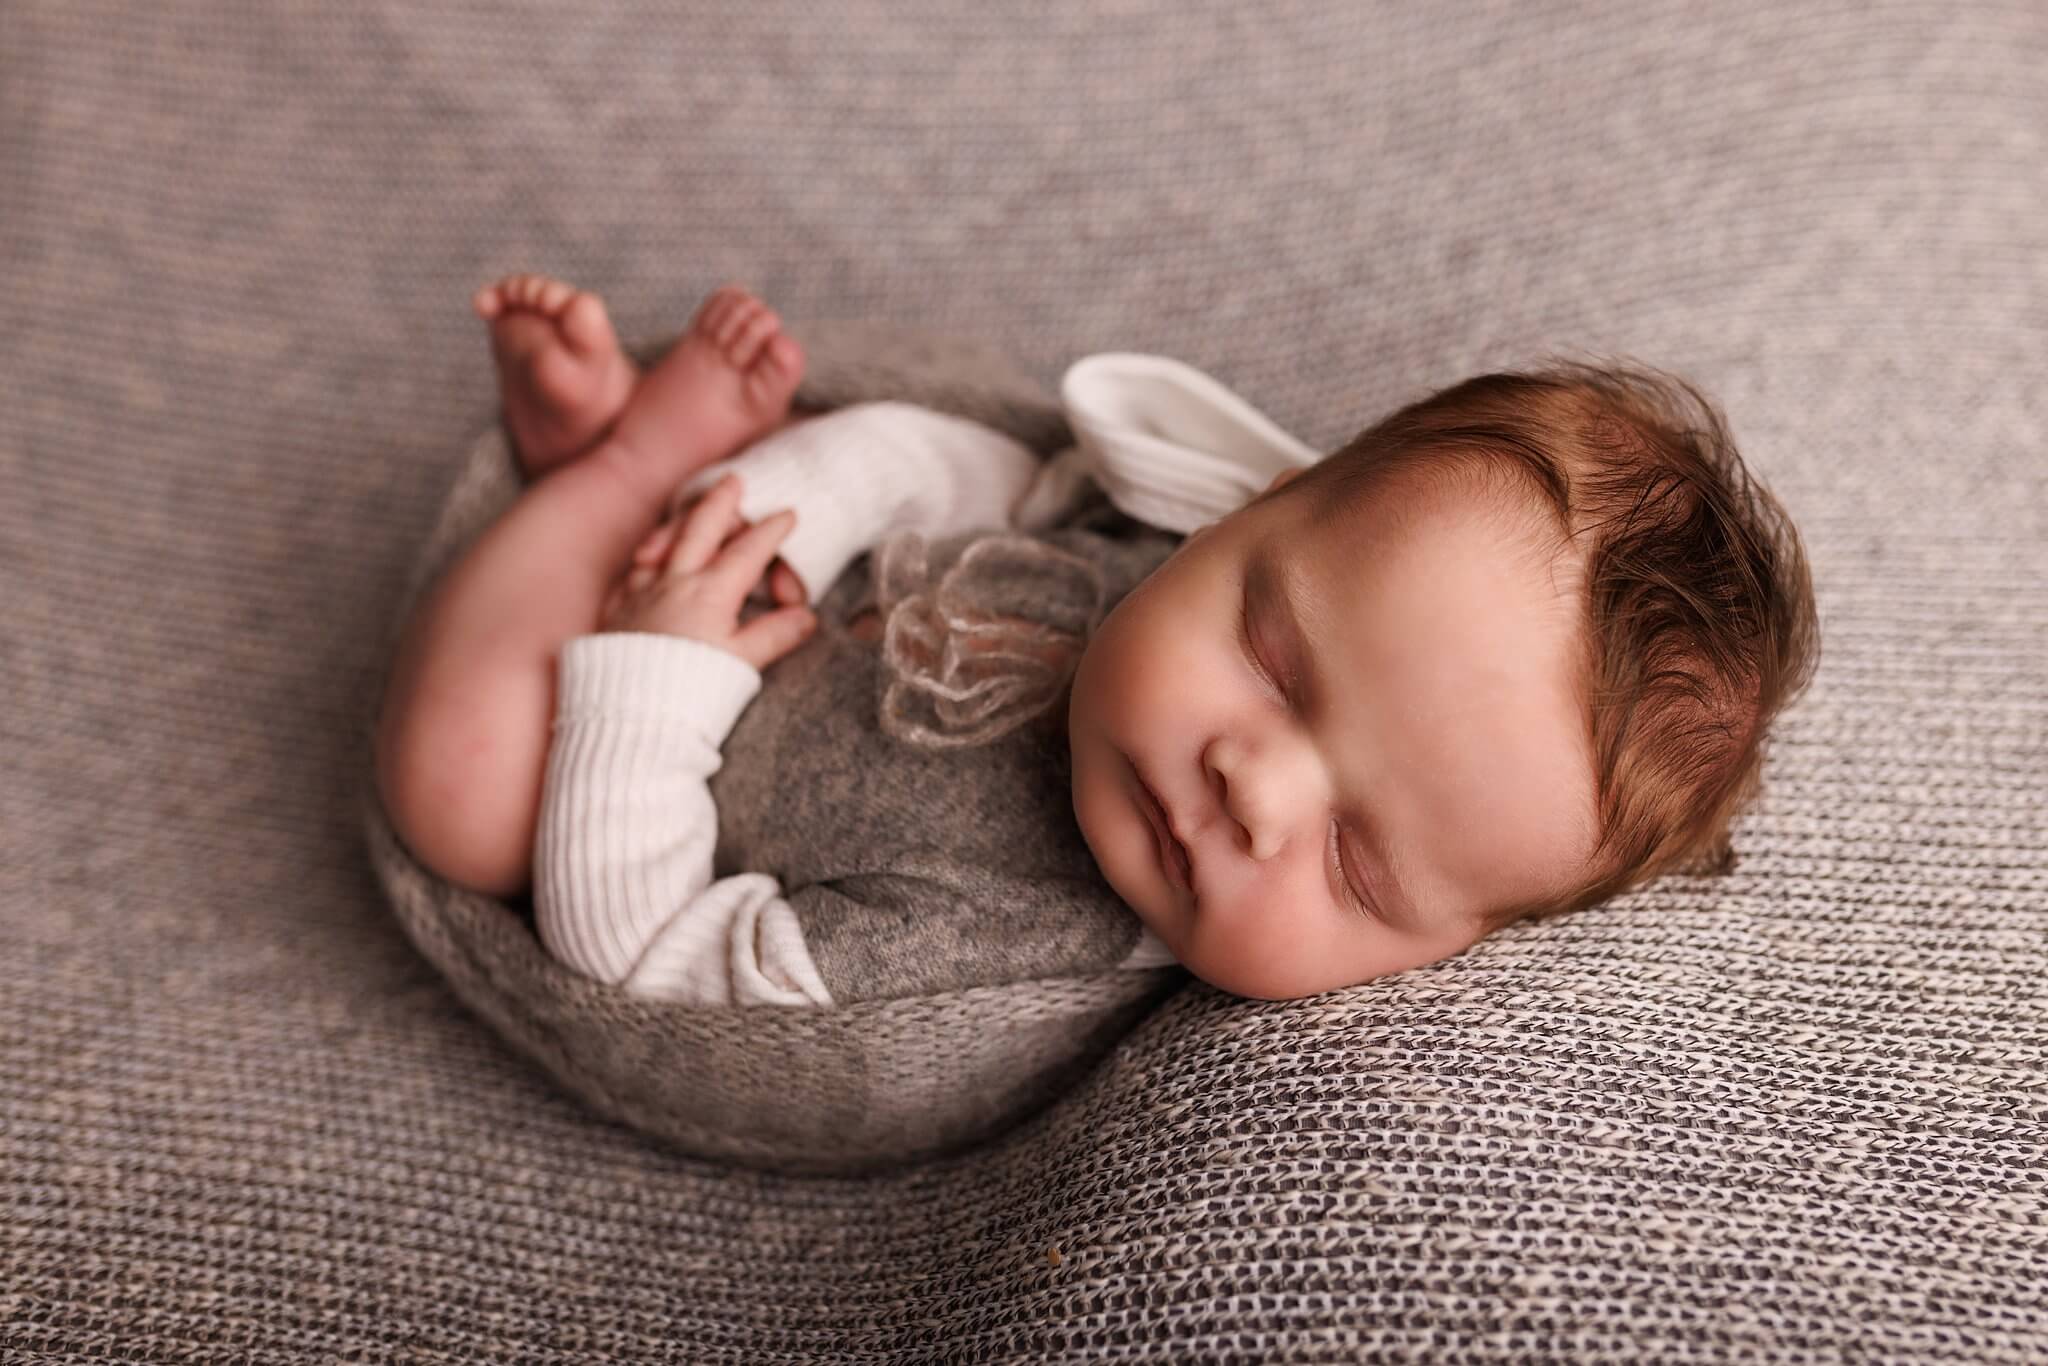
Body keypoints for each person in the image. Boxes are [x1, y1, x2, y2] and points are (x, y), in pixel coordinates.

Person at [374, 276, 1819, 1006]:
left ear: (1444, 952)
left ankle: (613, 465)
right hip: (771, 584)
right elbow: (998, 481)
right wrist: (793, 504)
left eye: (1357, 864)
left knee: (461, 786)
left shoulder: (1002, 937)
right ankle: (669, 464)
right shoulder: (1153, 550)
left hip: (636, 781)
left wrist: (656, 672)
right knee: (912, 426)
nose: (1258, 788)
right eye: (1272, 655)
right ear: (1251, 507)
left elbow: (654, 957)